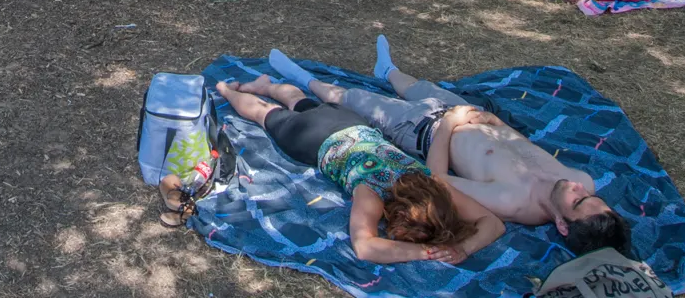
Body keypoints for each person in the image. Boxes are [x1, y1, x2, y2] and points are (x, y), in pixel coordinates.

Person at [266, 42, 632, 258]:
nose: (579, 189)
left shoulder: (510, 202)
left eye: (579, 201)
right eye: (590, 196)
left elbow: (437, 178)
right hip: (469, 116)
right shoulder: (579, 179)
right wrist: (495, 122)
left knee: (354, 99)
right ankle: (388, 68)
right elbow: (527, 147)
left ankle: (303, 80)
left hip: (424, 130)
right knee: (417, 85)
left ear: (561, 226)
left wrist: (448, 124)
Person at [215, 76, 504, 264]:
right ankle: (226, 89)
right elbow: (365, 247)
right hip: (316, 140)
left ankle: (264, 84)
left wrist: (464, 247)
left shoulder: (435, 184)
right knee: (263, 113)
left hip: (352, 123)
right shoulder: (372, 195)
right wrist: (428, 252)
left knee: (301, 102)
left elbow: (492, 222)